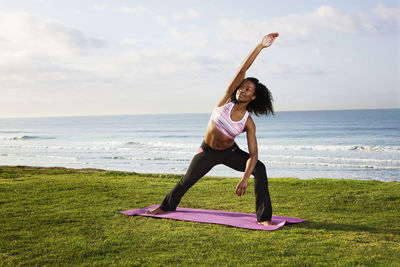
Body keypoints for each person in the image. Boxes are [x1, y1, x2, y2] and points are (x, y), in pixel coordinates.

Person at [147, 32, 279, 226]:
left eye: (248, 89)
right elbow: (242, 69)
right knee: (187, 180)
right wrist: (260, 46)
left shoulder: (248, 122)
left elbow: (253, 153)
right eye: (242, 86)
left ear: (253, 97)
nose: (242, 89)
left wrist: (244, 178)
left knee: (259, 168)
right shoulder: (226, 100)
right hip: (207, 151)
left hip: (229, 152)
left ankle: (264, 218)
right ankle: (166, 206)